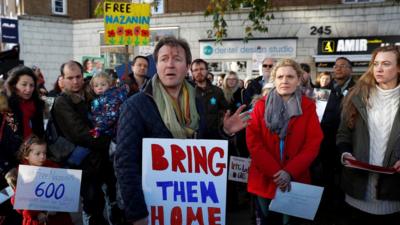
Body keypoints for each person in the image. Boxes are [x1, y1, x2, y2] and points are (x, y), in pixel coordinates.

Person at [114, 36, 248, 225]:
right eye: (164, 59)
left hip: (190, 206)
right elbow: (125, 163)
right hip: (152, 208)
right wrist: (137, 214)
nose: (170, 65)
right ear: (157, 66)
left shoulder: (198, 101)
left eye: (177, 59)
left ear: (186, 67)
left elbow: (203, 146)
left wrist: (224, 131)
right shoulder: (135, 106)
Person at [246, 58, 323, 225]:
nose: (285, 81)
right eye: (280, 77)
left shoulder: (308, 106)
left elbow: (313, 144)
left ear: (298, 79)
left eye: (290, 76)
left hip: (295, 179)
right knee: (267, 221)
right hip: (265, 178)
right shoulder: (260, 106)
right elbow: (254, 143)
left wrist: (289, 171)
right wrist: (276, 172)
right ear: (274, 79)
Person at [337, 46, 400, 225]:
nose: (378, 69)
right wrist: (345, 154)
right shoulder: (356, 96)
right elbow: (343, 134)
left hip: (394, 195)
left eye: (386, 64)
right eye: (375, 63)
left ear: (398, 68)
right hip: (356, 192)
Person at [52, 61, 114, 225]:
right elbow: (80, 133)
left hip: (100, 160)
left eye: (78, 76)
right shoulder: (62, 102)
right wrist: (110, 141)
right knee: (92, 208)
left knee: (107, 204)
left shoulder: (91, 94)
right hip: (83, 164)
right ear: (62, 79)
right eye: (70, 78)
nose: (75, 81)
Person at [315, 57, 355, 210]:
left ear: (350, 70)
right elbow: (318, 117)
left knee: (346, 175)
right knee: (327, 176)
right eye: (336, 66)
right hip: (326, 141)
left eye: (343, 66)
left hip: (348, 141)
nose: (338, 68)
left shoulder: (357, 88)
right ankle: (328, 205)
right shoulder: (323, 90)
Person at [8, 135, 74, 225]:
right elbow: (18, 203)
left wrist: (58, 207)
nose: (42, 156)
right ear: (26, 155)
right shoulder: (22, 175)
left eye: (44, 153)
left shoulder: (54, 169)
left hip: (58, 219)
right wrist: (36, 213)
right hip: (35, 222)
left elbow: (64, 192)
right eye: (37, 154)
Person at [191, 58, 228, 139]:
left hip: (215, 135)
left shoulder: (217, 91)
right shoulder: (188, 91)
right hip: (195, 136)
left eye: (201, 69)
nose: (199, 72)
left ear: (207, 71)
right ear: (192, 73)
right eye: (195, 70)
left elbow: (225, 109)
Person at [5, 65, 45, 140]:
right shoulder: (6, 105)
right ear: (14, 85)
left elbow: (40, 133)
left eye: (31, 85)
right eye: (24, 84)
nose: (28, 89)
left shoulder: (37, 104)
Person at [89, 72, 127, 141]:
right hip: (106, 131)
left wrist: (98, 129)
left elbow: (111, 116)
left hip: (111, 133)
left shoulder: (112, 98)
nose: (99, 88)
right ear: (93, 88)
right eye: (96, 86)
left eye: (103, 85)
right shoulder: (99, 99)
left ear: (109, 85)